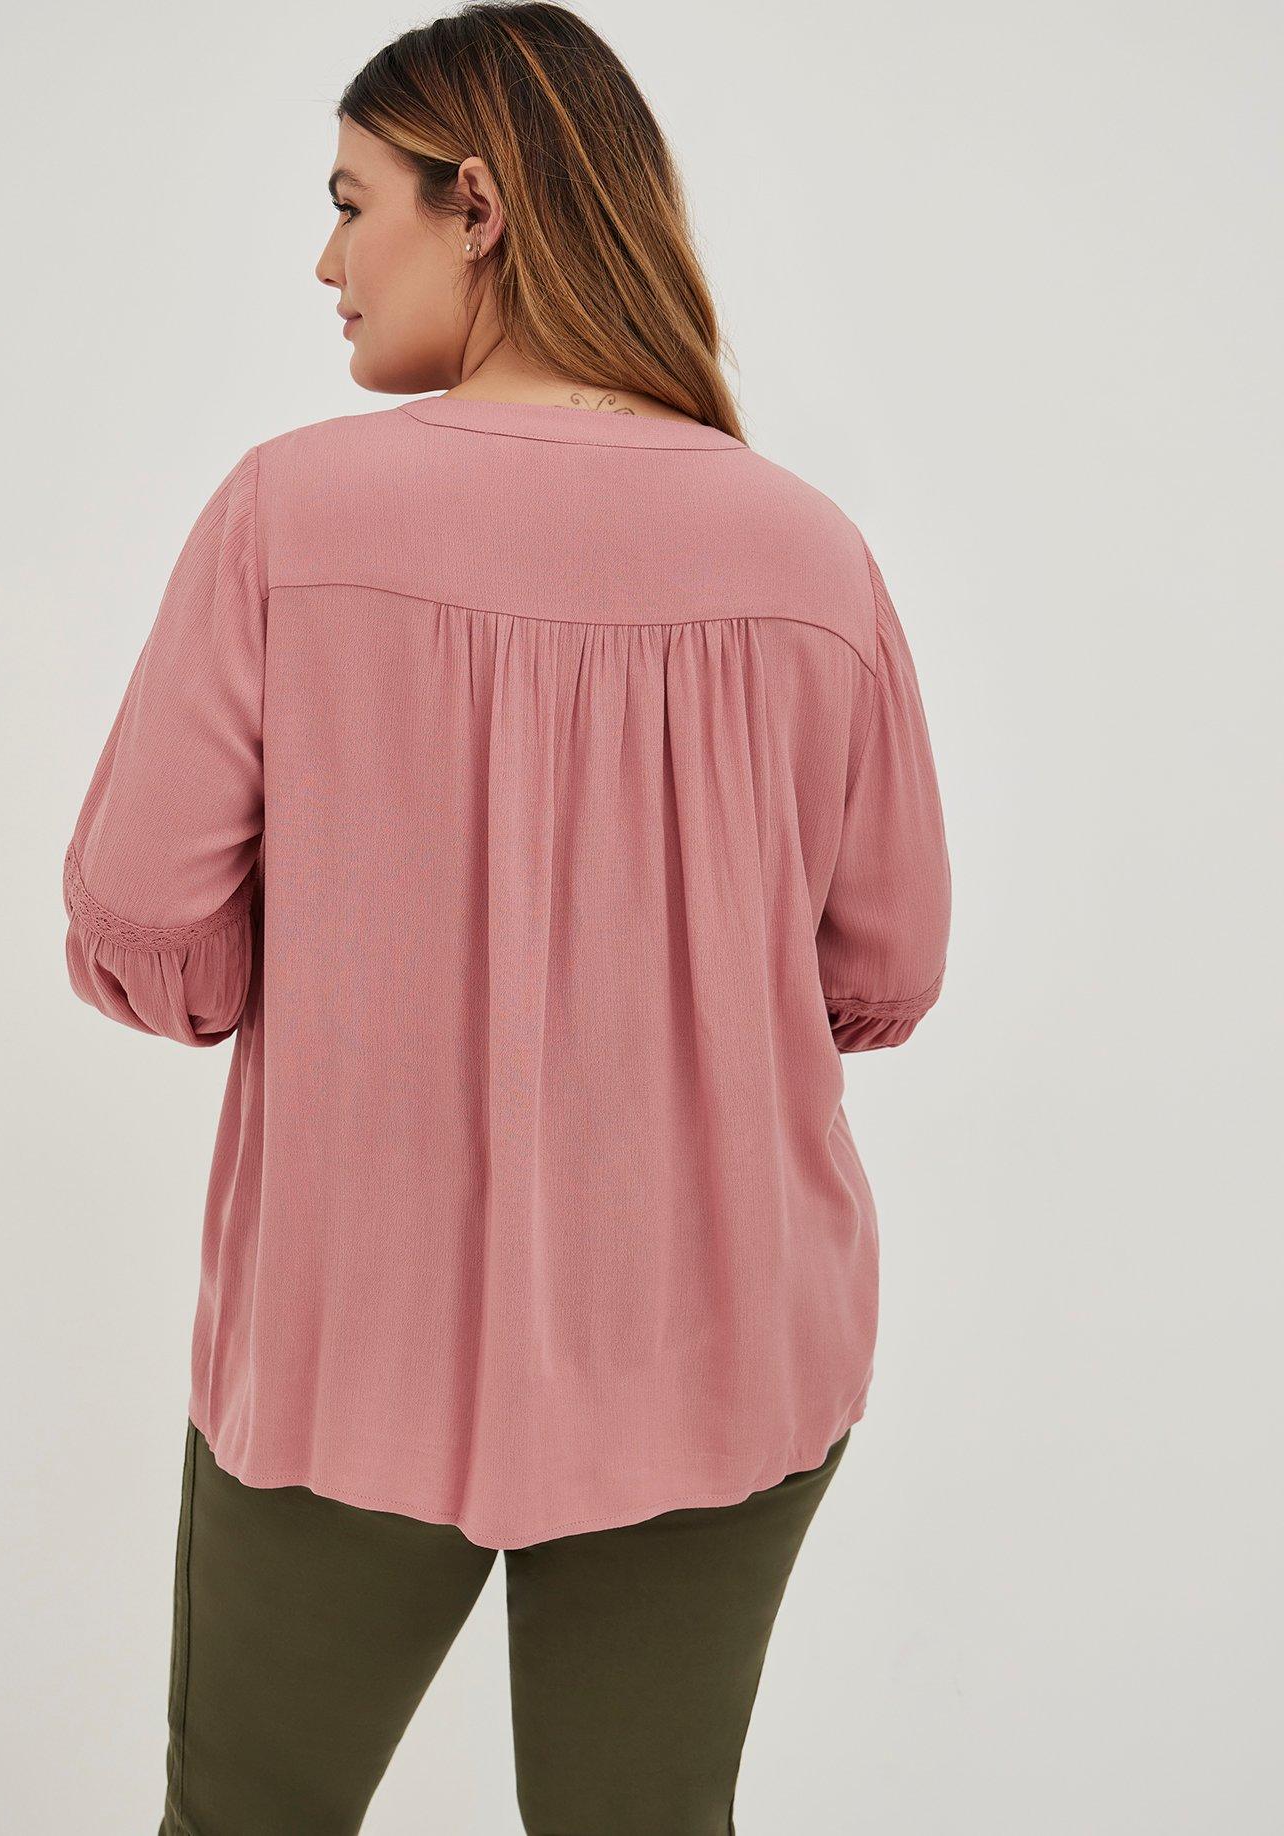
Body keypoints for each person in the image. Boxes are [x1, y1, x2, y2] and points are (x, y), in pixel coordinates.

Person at [60, 5, 952, 1831]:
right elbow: (883, 972)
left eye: (350, 202)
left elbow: (148, 925)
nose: (326, 262)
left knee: (244, 1819)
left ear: (478, 204)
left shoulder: (291, 513)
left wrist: (327, 955)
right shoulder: (812, 553)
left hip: (350, 1343)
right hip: (725, 1342)